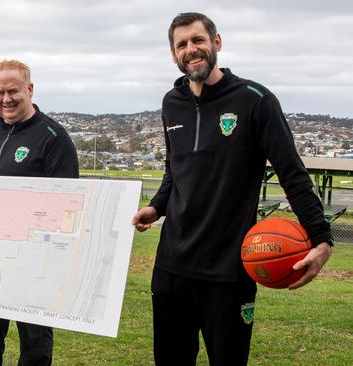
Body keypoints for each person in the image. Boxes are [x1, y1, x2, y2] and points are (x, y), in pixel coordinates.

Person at [131, 12, 333, 366]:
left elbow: (292, 173)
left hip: (229, 271)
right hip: (172, 268)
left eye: (198, 40)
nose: (191, 49)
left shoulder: (255, 100)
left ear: (217, 43)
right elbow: (173, 170)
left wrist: (321, 238)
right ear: (173, 55)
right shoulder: (170, 103)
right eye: (182, 44)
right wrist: (156, 208)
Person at [0, 59, 79, 366]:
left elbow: (68, 204)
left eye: (14, 91)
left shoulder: (54, 137)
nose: (7, 98)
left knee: (35, 348)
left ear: (30, 89)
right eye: (0, 92)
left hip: (34, 263)